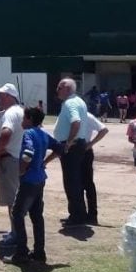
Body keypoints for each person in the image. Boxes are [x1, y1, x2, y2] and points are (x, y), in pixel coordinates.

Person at [2, 107, 63, 264]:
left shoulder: (28, 134)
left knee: (17, 214)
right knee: (37, 217)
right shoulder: (43, 134)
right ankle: (39, 253)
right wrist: (45, 162)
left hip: (28, 181)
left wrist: (22, 170)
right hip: (40, 180)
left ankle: (21, 253)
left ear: (29, 119)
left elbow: (28, 153)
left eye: (24, 118)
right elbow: (60, 148)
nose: (22, 121)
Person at [0, 83, 26, 247]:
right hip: (15, 158)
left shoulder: (11, 113)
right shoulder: (19, 112)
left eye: (1, 95)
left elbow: (6, 133)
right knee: (14, 199)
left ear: (10, 97)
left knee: (12, 200)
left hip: (8, 159)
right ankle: (15, 231)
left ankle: (17, 236)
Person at [51, 78, 90, 227]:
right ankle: (79, 213)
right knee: (76, 181)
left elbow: (76, 122)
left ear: (67, 88)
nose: (57, 91)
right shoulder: (78, 101)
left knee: (71, 182)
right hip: (79, 145)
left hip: (72, 147)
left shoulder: (70, 103)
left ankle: (76, 216)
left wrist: (67, 142)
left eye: (59, 88)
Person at [82, 113, 108, 225]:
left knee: (88, 184)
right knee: (75, 184)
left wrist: (90, 144)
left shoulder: (87, 116)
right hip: (72, 151)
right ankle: (78, 213)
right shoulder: (67, 112)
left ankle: (92, 215)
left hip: (84, 150)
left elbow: (104, 130)